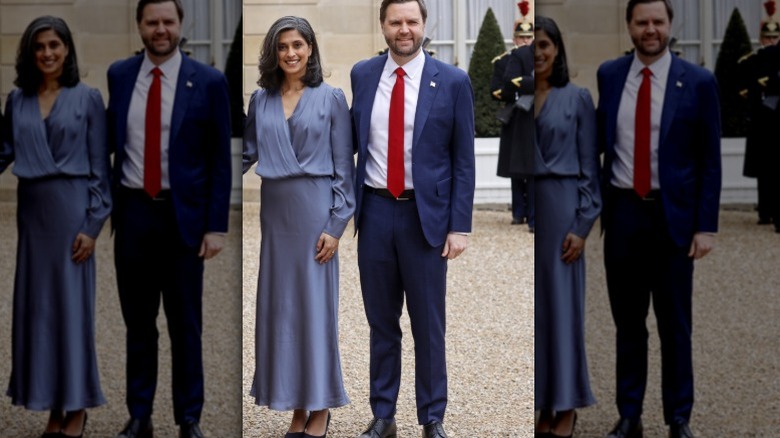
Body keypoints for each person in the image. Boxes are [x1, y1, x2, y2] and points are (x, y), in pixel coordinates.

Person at [105, 0, 232, 437]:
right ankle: (140, 416)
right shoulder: (120, 75)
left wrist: (216, 226)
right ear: (139, 26)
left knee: (185, 326)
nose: (160, 29)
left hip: (184, 221)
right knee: (138, 324)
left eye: (168, 21)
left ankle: (189, 418)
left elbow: (220, 160)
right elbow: (107, 143)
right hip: (134, 215)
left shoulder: (210, 81)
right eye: (152, 22)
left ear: (180, 24)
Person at [349, 0, 475, 437]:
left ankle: (432, 417)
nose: (404, 29)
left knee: (428, 325)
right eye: (395, 22)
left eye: (412, 21)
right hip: (374, 212)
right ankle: (383, 415)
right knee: (381, 322)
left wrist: (459, 226)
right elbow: (348, 142)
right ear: (383, 25)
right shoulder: (363, 74)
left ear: (424, 25)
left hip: (426, 218)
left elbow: (463, 160)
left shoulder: (453, 81)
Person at [596, 1, 721, 437]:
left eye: (658, 22)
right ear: (629, 26)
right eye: (642, 22)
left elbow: (710, 160)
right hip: (624, 214)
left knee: (675, 326)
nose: (650, 29)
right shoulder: (610, 75)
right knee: (628, 324)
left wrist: (706, 226)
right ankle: (629, 415)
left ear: (670, 25)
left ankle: (679, 418)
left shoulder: (699, 81)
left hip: (674, 220)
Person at [243, 16, 355, 438]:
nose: (290, 53)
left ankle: (320, 406)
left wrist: (337, 225)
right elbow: (245, 153)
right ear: (273, 52)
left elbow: (344, 168)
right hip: (276, 218)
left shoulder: (331, 98)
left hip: (314, 215)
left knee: (314, 310)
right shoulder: (261, 100)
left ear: (310, 49)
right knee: (282, 311)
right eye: (282, 46)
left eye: (298, 45)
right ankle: (296, 406)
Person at [0, 15, 111, 438]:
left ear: (66, 50)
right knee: (39, 313)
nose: (47, 53)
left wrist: (93, 225)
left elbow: (100, 168)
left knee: (71, 312)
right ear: (30, 53)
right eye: (39, 46)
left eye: (54, 45)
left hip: (72, 218)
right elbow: (4, 152)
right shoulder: (17, 100)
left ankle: (77, 406)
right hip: (33, 219)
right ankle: (52, 406)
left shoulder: (88, 98)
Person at [533, 15, 601, 438]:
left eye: (544, 44)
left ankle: (567, 406)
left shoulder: (577, 98)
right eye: (531, 45)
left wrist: (583, 224)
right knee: (537, 315)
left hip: (563, 216)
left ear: (556, 49)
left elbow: (591, 168)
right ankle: (543, 400)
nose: (537, 52)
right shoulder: (520, 98)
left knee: (563, 312)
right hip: (533, 217)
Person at [490, 2, 535, 230]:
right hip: (514, 115)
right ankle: (519, 211)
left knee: (530, 166)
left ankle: (531, 211)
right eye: (521, 37)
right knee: (515, 167)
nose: (525, 41)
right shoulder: (504, 61)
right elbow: (497, 90)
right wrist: (517, 91)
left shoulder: (534, 56)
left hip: (531, 115)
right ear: (514, 38)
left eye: (528, 37)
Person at [738, 5, 780, 226]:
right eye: (768, 37)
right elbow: (743, 89)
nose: (771, 41)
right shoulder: (751, 61)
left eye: (775, 37)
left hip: (777, 120)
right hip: (761, 122)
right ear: (761, 38)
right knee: (764, 170)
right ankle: (765, 211)